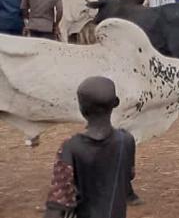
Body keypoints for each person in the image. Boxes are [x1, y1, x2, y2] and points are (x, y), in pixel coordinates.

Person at [44, 76, 137, 218]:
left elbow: (56, 207)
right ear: (116, 103)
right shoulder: (127, 141)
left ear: (81, 108)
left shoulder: (70, 148)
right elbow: (128, 176)